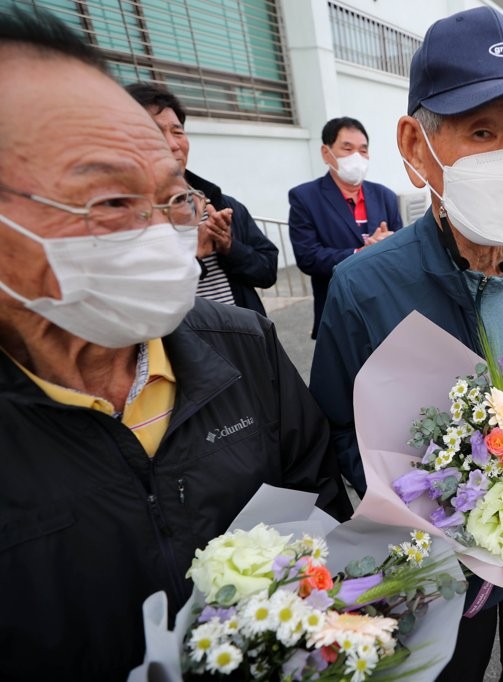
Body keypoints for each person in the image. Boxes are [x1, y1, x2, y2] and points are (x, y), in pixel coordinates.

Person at [0, 9, 350, 680]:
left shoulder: (242, 346)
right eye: (109, 202)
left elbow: (318, 502)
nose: (159, 233)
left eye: (172, 199)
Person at [309, 7, 503, 680]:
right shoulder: (363, 288)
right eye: (482, 131)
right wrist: (423, 510)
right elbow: (334, 431)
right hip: (427, 564)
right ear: (415, 146)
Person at [126, 82, 280, 316]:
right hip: (179, 350)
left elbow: (267, 272)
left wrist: (229, 247)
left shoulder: (221, 205)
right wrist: (189, 253)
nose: (173, 144)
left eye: (177, 132)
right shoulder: (120, 218)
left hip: (244, 344)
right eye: (154, 133)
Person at [288, 116, 403, 338]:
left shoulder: (385, 196)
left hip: (384, 307)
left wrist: (390, 245)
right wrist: (360, 253)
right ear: (326, 153)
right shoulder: (305, 198)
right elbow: (308, 256)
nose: (356, 157)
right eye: (347, 149)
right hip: (338, 308)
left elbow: (402, 245)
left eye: (363, 150)